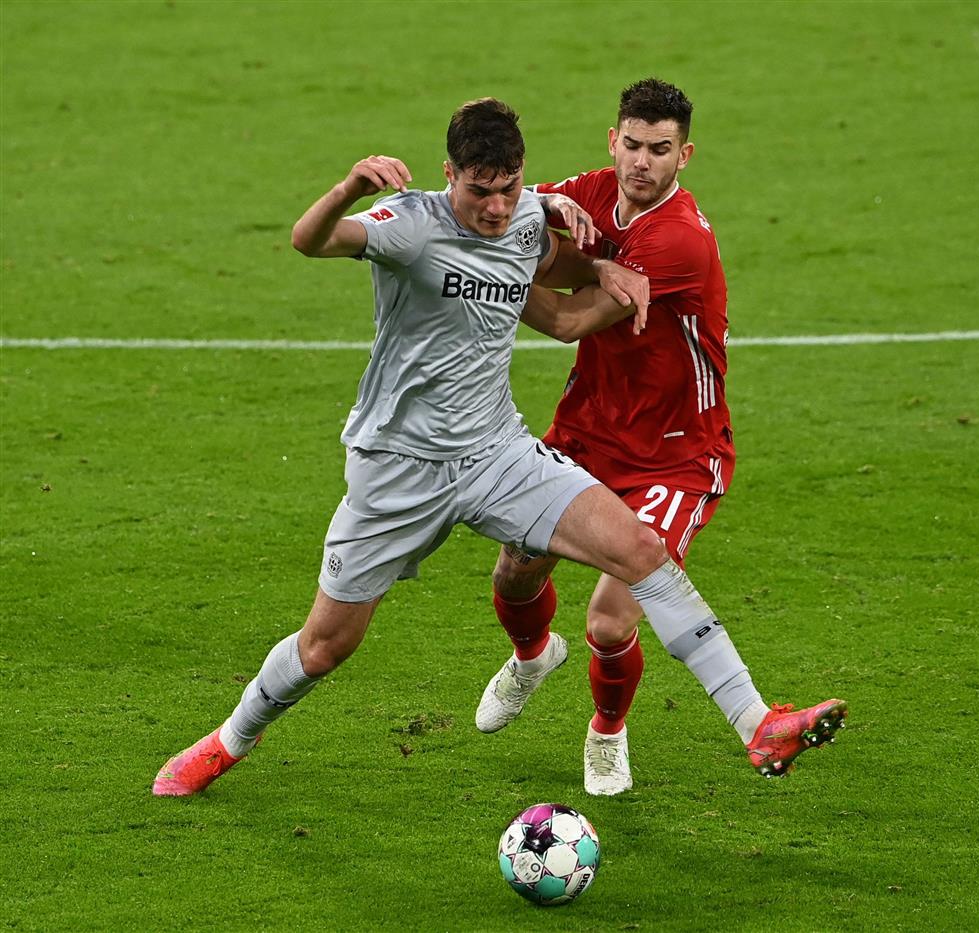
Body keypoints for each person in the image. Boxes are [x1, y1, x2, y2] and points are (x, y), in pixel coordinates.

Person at [151, 97, 835, 797]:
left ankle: (758, 722)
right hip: (399, 468)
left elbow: (553, 267)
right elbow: (309, 239)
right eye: (480, 191)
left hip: (496, 453)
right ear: (451, 175)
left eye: (509, 188)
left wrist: (598, 268)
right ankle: (227, 739)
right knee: (327, 645)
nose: (498, 207)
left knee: (640, 552)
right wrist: (351, 187)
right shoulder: (409, 224)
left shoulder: (532, 214)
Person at [473, 78, 847, 796]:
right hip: (586, 431)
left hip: (675, 456)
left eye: (661, 150)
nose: (643, 162)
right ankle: (530, 656)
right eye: (633, 145)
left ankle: (607, 731)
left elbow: (567, 319)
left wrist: (488, 268)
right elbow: (521, 211)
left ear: (686, 155)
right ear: (613, 140)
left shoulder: (677, 239)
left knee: (612, 620)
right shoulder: (589, 189)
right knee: (515, 572)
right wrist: (543, 209)